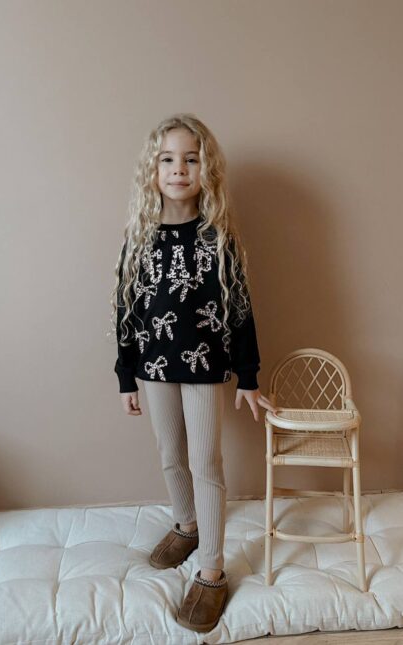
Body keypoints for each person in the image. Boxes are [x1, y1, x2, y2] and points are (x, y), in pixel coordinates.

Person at [109, 113, 276, 633]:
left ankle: (212, 570)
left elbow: (241, 310)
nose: (179, 169)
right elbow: (126, 308)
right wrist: (125, 375)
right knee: (170, 452)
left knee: (206, 460)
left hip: (205, 367)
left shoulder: (218, 238)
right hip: (154, 366)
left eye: (191, 159)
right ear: (153, 169)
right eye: (167, 159)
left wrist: (248, 376)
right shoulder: (140, 237)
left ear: (207, 169)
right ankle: (187, 524)